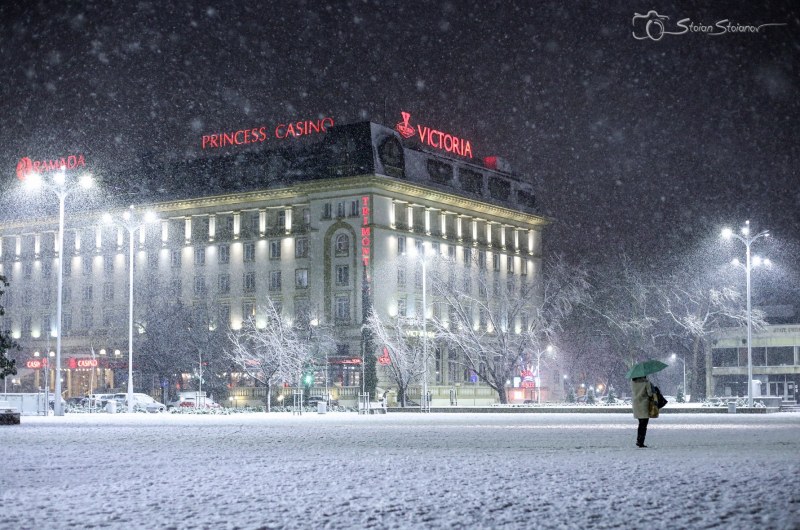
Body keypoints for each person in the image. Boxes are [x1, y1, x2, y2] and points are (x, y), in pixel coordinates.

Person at [631, 376, 654, 448]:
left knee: (640, 423)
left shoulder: (632, 382)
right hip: (644, 404)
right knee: (644, 425)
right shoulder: (646, 382)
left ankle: (639, 440)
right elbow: (650, 394)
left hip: (636, 404)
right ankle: (640, 442)